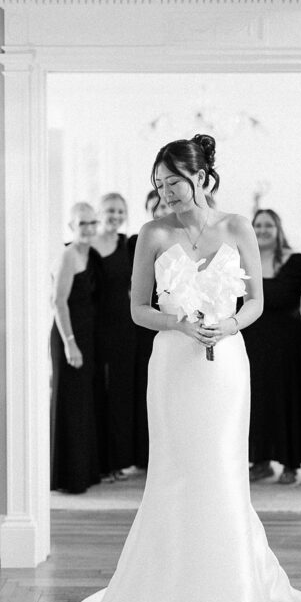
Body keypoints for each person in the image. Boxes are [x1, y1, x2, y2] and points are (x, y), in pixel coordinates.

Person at [68, 135, 301, 602]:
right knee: (174, 473)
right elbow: (137, 310)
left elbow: (257, 300)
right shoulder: (150, 233)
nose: (166, 193)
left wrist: (229, 322)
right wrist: (179, 322)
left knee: (222, 472)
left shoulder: (237, 227)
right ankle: (162, 600)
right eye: (159, 185)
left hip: (227, 368)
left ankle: (232, 601)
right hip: (172, 364)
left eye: (174, 182)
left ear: (201, 177)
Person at [244, 209, 301, 486]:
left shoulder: (295, 261)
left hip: (289, 345)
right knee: (257, 402)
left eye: (268, 225)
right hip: (254, 343)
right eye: (257, 225)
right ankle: (260, 462)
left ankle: (290, 464)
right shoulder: (244, 261)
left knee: (288, 401)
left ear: (278, 228)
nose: (262, 230)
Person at [50, 202, 101, 494]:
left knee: (83, 405)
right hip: (68, 337)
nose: (89, 228)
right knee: (70, 405)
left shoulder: (89, 255)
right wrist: (70, 343)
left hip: (85, 336)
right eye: (83, 223)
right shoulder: (69, 255)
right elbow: (58, 303)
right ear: (71, 227)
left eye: (93, 223)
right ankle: (68, 479)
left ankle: (83, 473)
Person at [122, 189, 171, 474]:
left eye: (165, 203)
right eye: (156, 206)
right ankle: (143, 456)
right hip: (144, 322)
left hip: (175, 320)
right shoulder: (139, 240)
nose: (162, 209)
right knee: (144, 389)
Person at [91, 193, 137, 482]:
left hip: (124, 327)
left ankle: (118, 462)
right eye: (110, 210)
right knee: (97, 392)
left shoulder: (129, 246)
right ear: (99, 213)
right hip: (94, 327)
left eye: (121, 211)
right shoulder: (83, 246)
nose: (115, 215)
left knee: (121, 394)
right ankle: (98, 462)